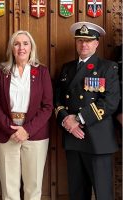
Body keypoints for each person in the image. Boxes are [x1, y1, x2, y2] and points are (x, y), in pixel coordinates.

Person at [55, 21, 120, 200]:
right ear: (76, 43)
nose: (84, 44)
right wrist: (66, 120)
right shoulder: (67, 69)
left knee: (103, 194)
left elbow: (111, 102)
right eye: (80, 40)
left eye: (89, 41)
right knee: (77, 193)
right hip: (73, 138)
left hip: (98, 139)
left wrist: (80, 118)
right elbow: (58, 99)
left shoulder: (108, 67)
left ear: (96, 44)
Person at [0, 30, 53, 200]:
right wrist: (11, 129)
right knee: (9, 189)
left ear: (31, 47)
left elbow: (48, 106)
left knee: (33, 188)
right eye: (17, 43)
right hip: (6, 134)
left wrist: (26, 130)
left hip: (35, 135)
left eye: (25, 43)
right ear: (11, 48)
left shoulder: (42, 72)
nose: (21, 47)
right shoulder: (1, 72)